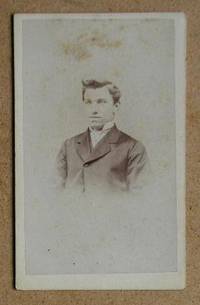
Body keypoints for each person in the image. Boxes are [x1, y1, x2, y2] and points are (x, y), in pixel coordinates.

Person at [57, 79, 150, 193]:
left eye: (101, 102)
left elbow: (140, 199)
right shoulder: (68, 145)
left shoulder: (133, 148)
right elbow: (54, 193)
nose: (93, 110)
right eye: (88, 102)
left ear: (115, 106)